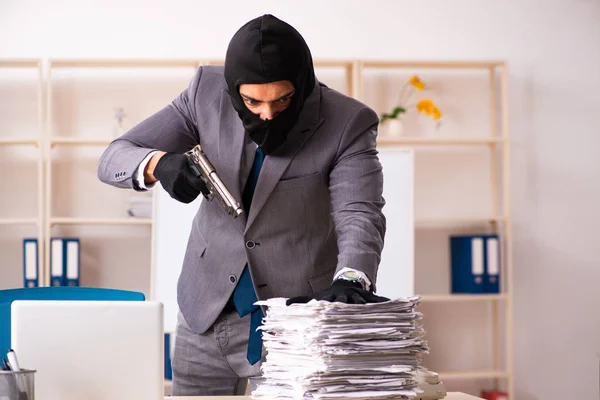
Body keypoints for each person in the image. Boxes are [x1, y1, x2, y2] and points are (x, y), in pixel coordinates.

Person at [97, 14, 388, 396]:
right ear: (234, 90)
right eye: (252, 101)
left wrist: (353, 276)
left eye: (282, 100)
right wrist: (158, 164)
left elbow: (359, 211)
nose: (266, 114)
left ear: (301, 86)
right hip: (204, 308)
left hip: (294, 322)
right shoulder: (205, 93)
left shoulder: (347, 121)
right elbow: (114, 156)